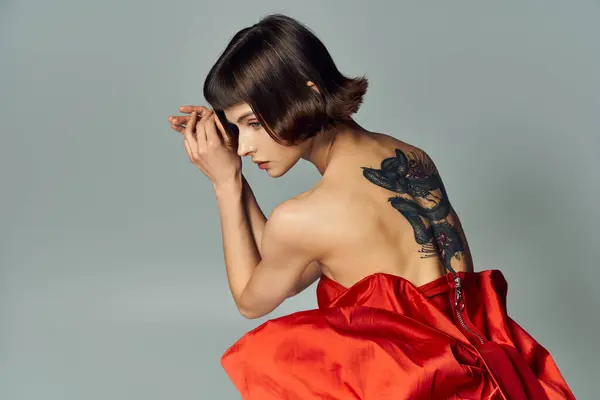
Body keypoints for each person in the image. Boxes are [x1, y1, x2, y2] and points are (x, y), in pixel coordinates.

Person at [168, 13, 574, 400]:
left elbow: (251, 300)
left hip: (420, 387)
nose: (243, 145)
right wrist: (238, 180)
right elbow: (286, 265)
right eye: (235, 128)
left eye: (253, 124)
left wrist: (226, 182)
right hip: (497, 381)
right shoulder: (412, 157)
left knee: (279, 356)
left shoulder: (305, 218)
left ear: (307, 94)